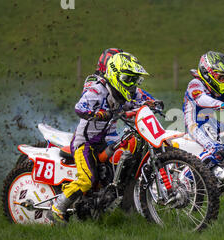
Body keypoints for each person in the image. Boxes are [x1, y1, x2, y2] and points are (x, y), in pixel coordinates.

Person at [48, 51, 156, 224]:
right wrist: (96, 113)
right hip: (86, 143)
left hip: (107, 140)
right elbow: (80, 107)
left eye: (135, 80)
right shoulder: (97, 89)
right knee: (86, 179)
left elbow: (144, 98)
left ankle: (117, 198)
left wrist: (154, 103)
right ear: (115, 75)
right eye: (129, 79)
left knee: (126, 158)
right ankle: (57, 209)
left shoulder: (127, 91)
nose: (132, 85)